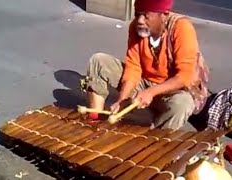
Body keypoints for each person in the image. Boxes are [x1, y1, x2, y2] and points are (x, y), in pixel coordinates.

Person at [82, 0, 210, 130]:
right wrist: (122, 100)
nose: (140, 20)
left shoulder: (182, 28)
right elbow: (133, 67)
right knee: (99, 61)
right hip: (144, 83)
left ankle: (157, 138)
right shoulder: (136, 28)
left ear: (163, 15)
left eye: (146, 16)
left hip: (172, 89)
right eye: (137, 14)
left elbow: (184, 76)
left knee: (183, 103)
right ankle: (94, 120)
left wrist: (151, 92)